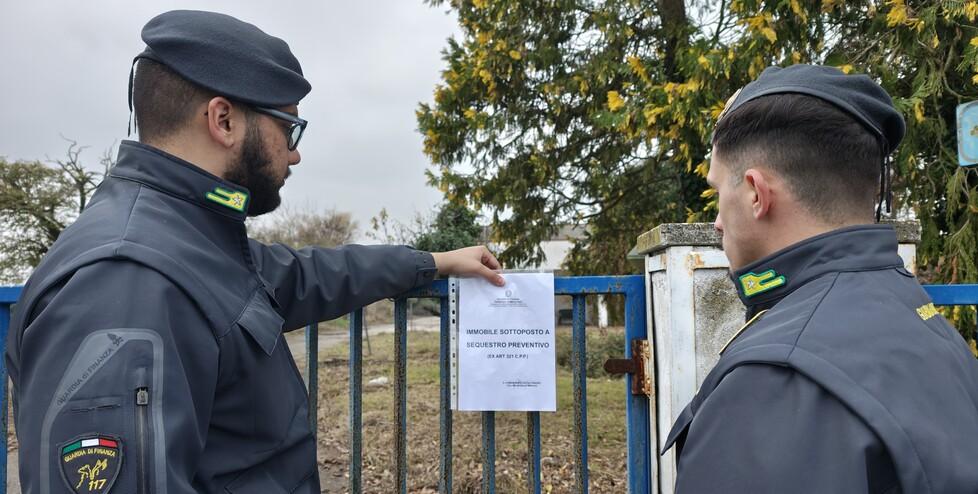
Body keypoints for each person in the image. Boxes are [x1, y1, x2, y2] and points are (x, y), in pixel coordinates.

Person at [6, 10, 505, 494]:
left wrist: (434, 262)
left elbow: (306, 275)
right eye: (288, 129)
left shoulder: (189, 240)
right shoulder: (125, 281)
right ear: (223, 120)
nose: (295, 153)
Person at [661, 64, 978, 493]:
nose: (717, 221)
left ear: (756, 193)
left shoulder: (771, 384)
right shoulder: (922, 319)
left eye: (719, 193)